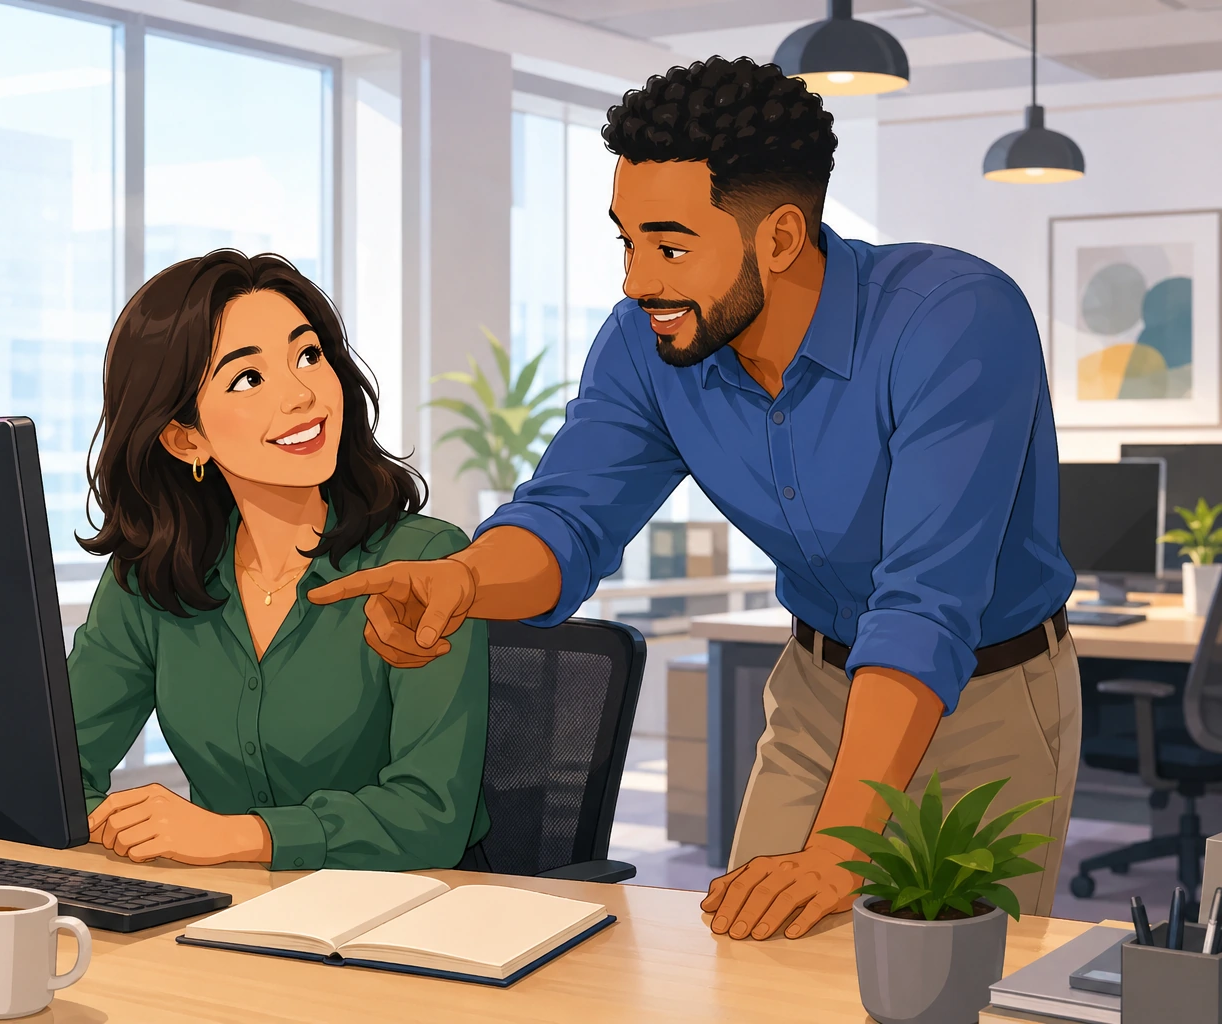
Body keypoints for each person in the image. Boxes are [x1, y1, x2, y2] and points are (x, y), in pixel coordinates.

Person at [310, 57, 1079, 938]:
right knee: (761, 965)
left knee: (961, 987)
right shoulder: (648, 343)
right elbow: (568, 516)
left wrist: (837, 854)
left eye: (670, 247)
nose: (638, 281)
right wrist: (466, 582)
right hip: (822, 690)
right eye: (626, 242)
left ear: (781, 239)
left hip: (989, 697)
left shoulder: (956, 319)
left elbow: (925, 604)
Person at [68, 250, 490, 872]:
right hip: (224, 915)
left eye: (308, 356)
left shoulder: (423, 561)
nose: (301, 394)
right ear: (187, 438)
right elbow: (57, 769)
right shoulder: (153, 577)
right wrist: (120, 828)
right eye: (248, 378)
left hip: (404, 923)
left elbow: (431, 814)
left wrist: (237, 837)